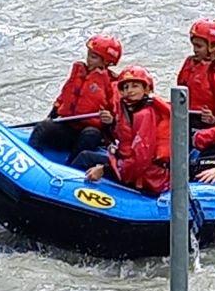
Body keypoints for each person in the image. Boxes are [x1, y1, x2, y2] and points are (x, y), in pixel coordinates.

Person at [71, 65, 171, 196]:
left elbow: (141, 159)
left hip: (145, 176)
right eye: (126, 87)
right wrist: (111, 123)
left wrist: (105, 170)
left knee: (85, 159)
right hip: (128, 164)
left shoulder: (144, 114)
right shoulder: (129, 109)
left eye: (135, 86)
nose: (129, 91)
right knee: (86, 156)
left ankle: (68, 189)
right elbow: (123, 138)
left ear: (146, 89)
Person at [29, 34, 121, 158]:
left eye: (93, 57)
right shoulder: (78, 74)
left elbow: (119, 116)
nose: (88, 60)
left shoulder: (113, 84)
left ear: (106, 62)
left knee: (90, 134)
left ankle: (72, 166)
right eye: (89, 55)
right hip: (68, 127)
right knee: (43, 127)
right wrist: (51, 117)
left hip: (91, 134)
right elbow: (61, 100)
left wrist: (111, 120)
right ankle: (31, 159)